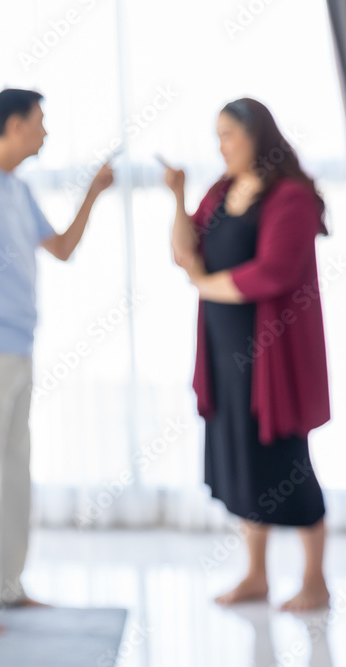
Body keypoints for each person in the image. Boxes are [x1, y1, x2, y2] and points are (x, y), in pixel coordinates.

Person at [0, 88, 114, 634]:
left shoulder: (17, 188)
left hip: (17, 350)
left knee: (12, 475)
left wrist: (93, 193)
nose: (45, 132)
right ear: (14, 125)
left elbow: (61, 247)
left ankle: (5, 588)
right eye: (40, 122)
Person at [165, 97, 331, 611]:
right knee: (242, 460)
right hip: (224, 354)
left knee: (286, 462)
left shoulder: (291, 196)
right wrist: (177, 197)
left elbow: (274, 272)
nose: (222, 146)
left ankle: (315, 581)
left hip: (272, 357)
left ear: (256, 136)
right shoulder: (221, 191)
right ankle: (256, 575)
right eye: (218, 136)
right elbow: (184, 251)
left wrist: (204, 284)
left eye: (229, 135)